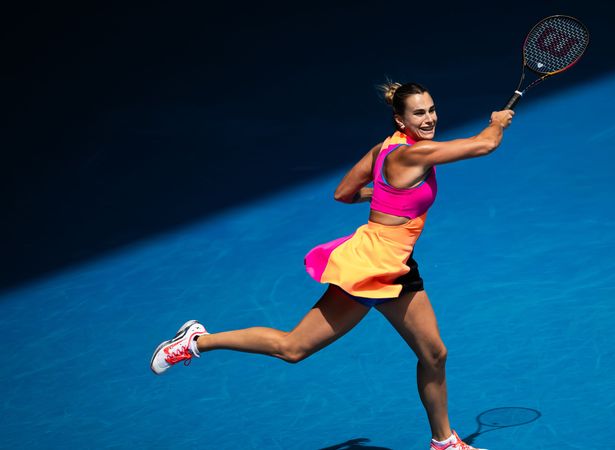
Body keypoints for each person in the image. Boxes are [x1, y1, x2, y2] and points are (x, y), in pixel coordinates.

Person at [150, 81, 514, 450]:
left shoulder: (382, 150)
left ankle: (444, 442)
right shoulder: (411, 155)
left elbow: (344, 193)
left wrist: (385, 194)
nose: (429, 118)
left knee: (434, 354)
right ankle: (197, 341)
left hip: (399, 266)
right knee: (293, 349)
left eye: (432, 109)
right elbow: (485, 144)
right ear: (400, 119)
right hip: (369, 268)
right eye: (419, 113)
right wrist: (498, 121)